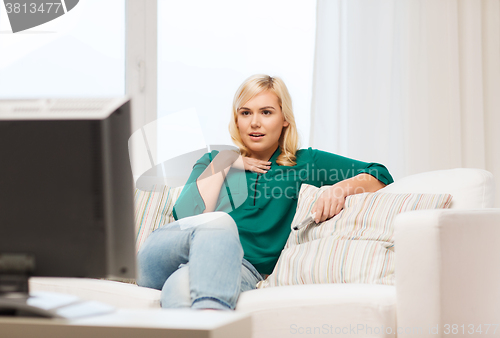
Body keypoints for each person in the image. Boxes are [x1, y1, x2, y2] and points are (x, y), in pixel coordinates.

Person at [137, 74, 393, 311]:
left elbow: (379, 173)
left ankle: (207, 319)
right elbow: (187, 217)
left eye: (266, 112)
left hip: (240, 267)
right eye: (245, 112)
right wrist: (227, 163)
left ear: (285, 119)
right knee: (219, 223)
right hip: (166, 253)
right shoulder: (214, 161)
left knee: (180, 292)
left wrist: (340, 189)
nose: (255, 122)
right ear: (236, 119)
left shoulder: (305, 162)